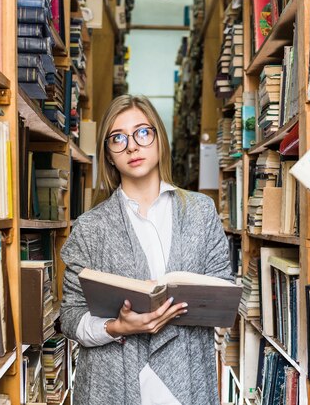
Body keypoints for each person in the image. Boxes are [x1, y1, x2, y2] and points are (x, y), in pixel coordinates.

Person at [60, 95, 233, 405]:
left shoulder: (201, 212)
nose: (132, 146)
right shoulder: (88, 228)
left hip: (186, 379)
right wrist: (117, 327)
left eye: (142, 132)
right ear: (109, 155)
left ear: (158, 139)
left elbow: (225, 293)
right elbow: (71, 318)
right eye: (118, 138)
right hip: (112, 383)